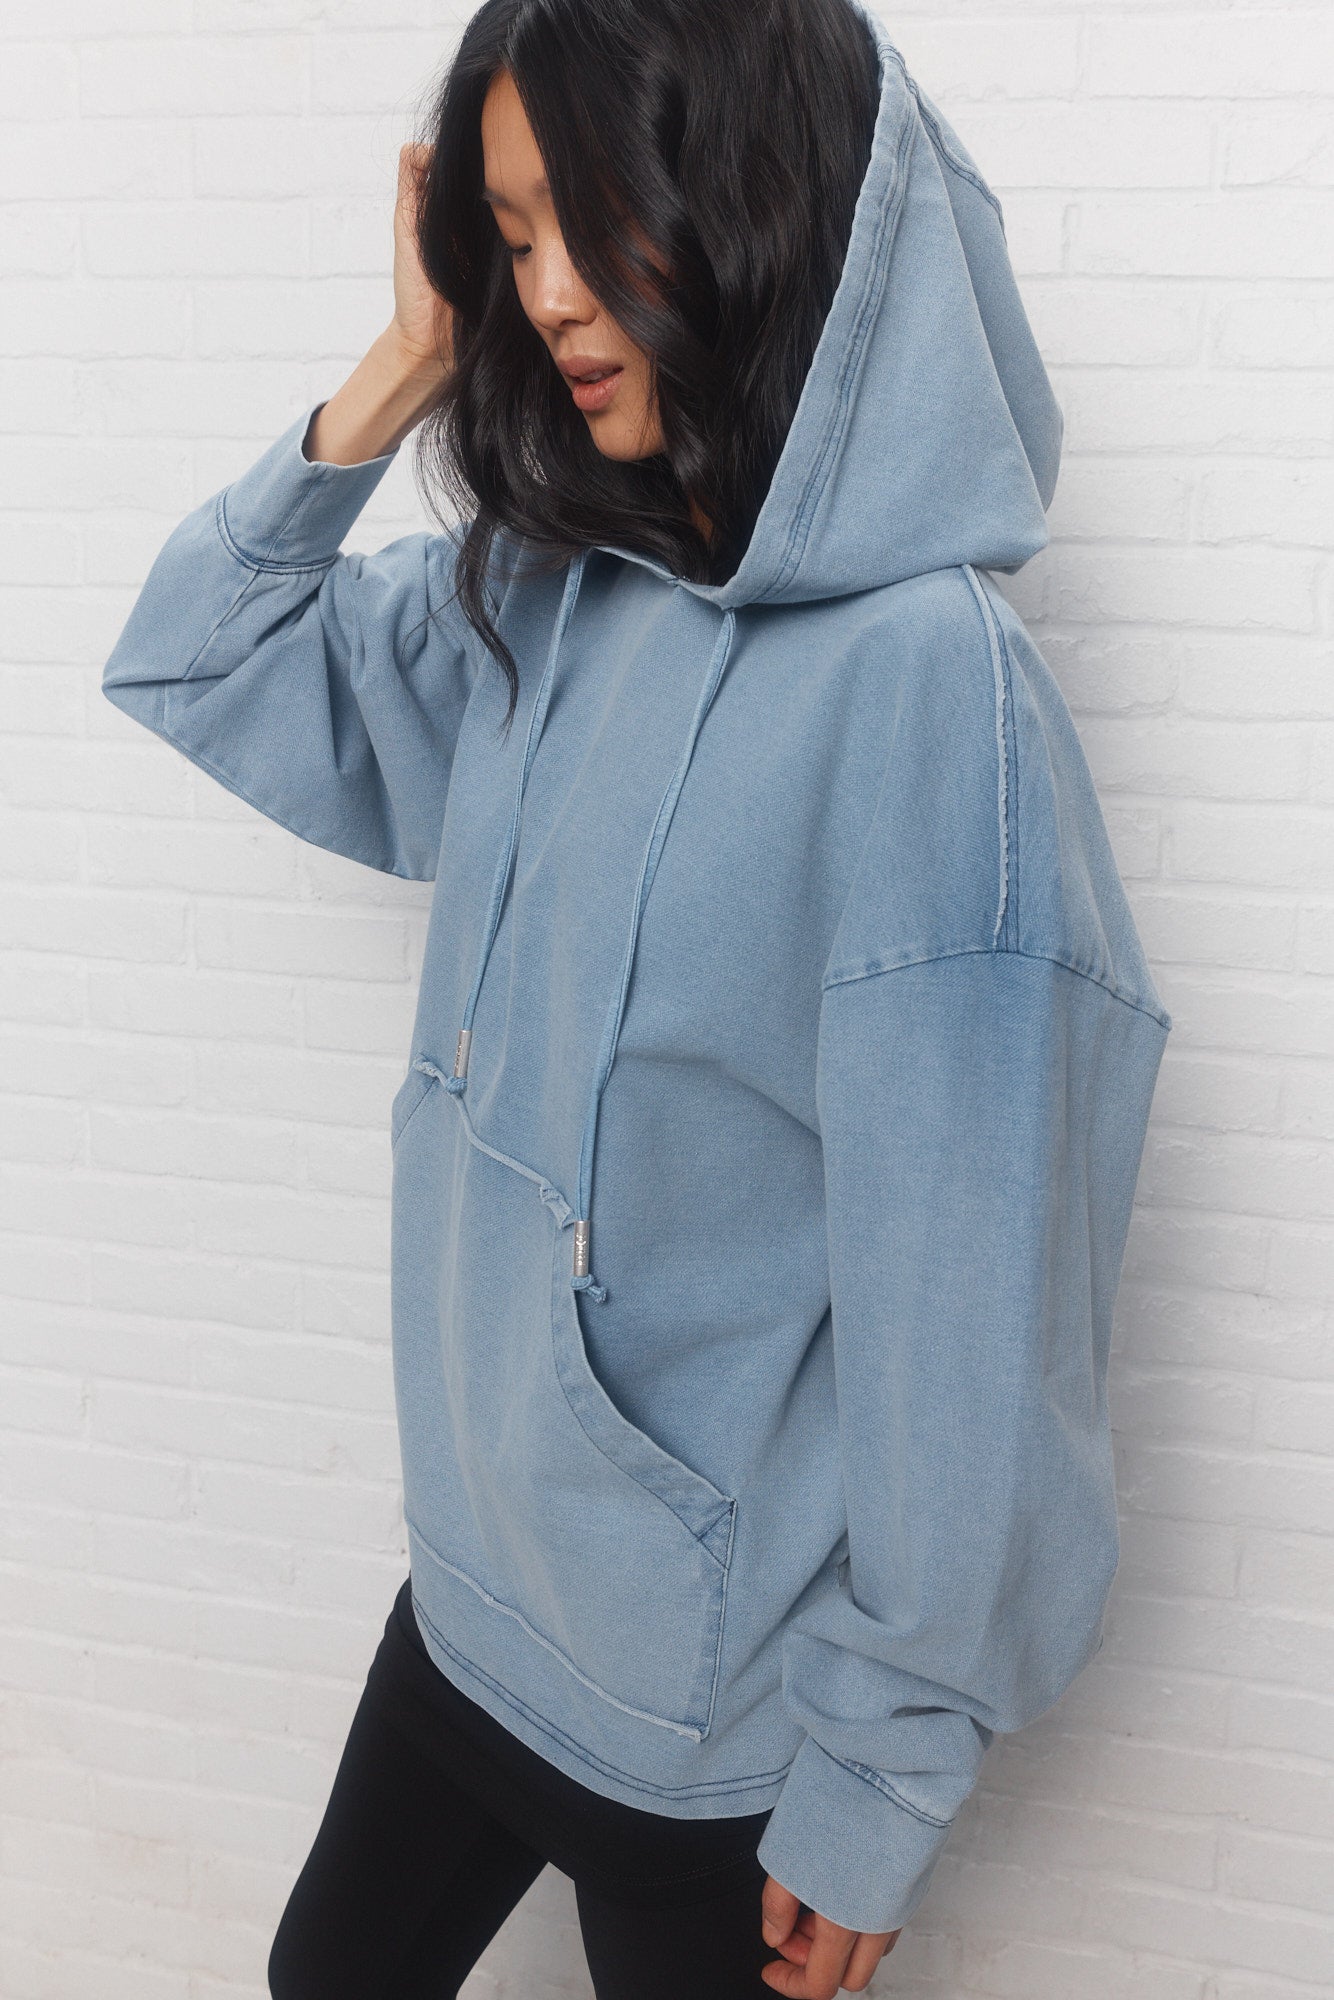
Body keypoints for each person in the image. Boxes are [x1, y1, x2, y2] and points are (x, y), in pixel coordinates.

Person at [100, 0, 1174, 1994]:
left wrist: (883, 1776)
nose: (548, 296)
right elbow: (203, 657)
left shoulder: (928, 693)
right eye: (510, 238)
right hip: (478, 1592)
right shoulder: (553, 580)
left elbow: (978, 1306)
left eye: (590, 223)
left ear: (755, 201)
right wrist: (409, 361)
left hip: (712, 1708)